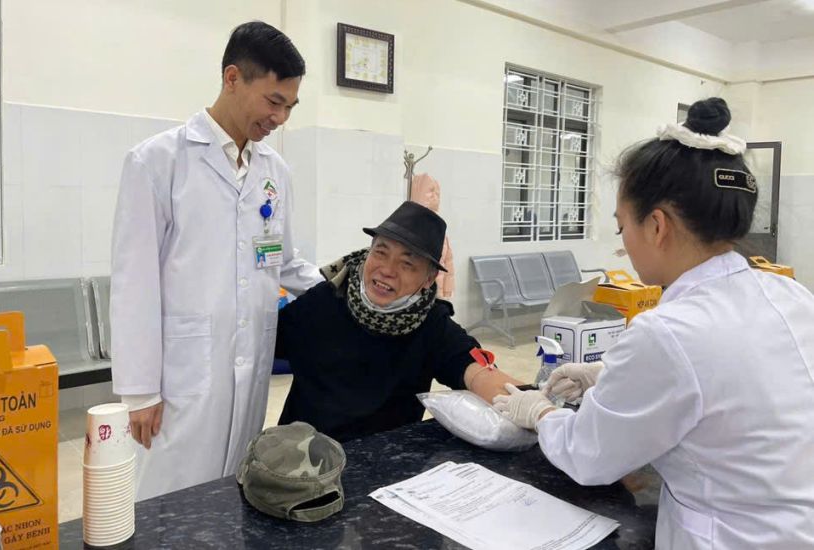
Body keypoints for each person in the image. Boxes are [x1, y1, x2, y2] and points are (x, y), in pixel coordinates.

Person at [493, 97, 814, 549]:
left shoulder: (667, 331)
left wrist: (540, 413)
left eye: (622, 225)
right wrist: (609, 375)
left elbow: (590, 456)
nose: (623, 241)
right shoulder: (790, 295)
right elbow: (742, 381)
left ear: (657, 226)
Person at [110, 21, 323, 500]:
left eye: (289, 106)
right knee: (166, 496)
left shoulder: (274, 171)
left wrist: (343, 281)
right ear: (232, 78)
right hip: (181, 374)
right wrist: (140, 392)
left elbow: (284, 261)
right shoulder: (158, 162)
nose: (281, 118)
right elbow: (133, 281)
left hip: (249, 372)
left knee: (232, 489)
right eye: (273, 101)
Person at [275, 201, 523, 442]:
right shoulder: (325, 301)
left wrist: (536, 408)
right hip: (301, 459)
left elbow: (476, 371)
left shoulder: (431, 323)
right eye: (381, 253)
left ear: (429, 279)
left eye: (407, 263)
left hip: (382, 463)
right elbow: (262, 346)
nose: (387, 270)